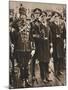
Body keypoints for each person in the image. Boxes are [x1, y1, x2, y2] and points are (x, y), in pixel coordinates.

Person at [15, 14, 31, 87]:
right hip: (20, 49)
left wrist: (33, 48)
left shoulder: (29, 26)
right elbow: (14, 37)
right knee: (21, 65)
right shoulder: (16, 26)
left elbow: (31, 37)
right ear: (20, 18)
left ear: (26, 18)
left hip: (27, 49)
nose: (23, 19)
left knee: (27, 65)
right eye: (21, 18)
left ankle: (27, 79)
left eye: (24, 18)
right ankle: (22, 80)